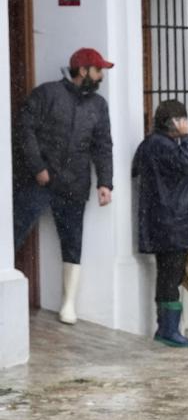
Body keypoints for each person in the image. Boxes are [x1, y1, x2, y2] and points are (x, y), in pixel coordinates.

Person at [12, 47, 114, 324]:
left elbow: (103, 145)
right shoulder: (46, 94)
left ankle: (68, 304)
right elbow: (24, 130)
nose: (102, 76)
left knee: (72, 243)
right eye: (98, 70)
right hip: (38, 181)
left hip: (75, 183)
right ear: (83, 71)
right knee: (14, 231)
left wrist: (106, 182)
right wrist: (38, 168)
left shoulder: (98, 105)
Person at [132, 100, 188, 348]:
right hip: (172, 223)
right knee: (170, 277)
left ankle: (168, 328)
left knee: (170, 275)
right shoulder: (162, 145)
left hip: (167, 221)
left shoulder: (154, 145)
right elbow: (184, 165)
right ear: (174, 123)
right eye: (183, 120)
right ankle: (168, 330)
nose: (187, 125)